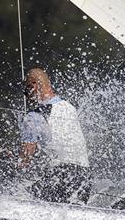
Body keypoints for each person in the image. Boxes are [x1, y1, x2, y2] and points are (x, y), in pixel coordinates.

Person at [18, 67, 90, 202]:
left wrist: (16, 162)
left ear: (34, 85)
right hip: (84, 178)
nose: (26, 96)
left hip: (60, 176)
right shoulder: (70, 107)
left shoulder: (34, 116)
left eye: (26, 91)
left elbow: (26, 156)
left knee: (19, 198)